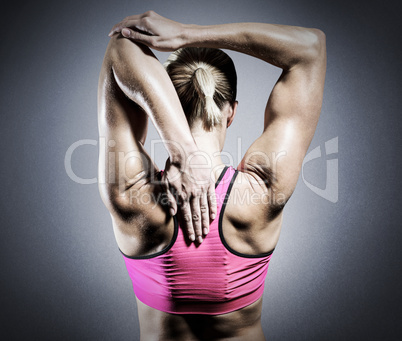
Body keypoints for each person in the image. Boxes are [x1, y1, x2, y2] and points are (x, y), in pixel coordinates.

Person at [98, 10, 326, 341]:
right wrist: (186, 34)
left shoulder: (132, 194)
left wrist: (182, 151)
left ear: (157, 102)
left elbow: (120, 47)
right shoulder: (261, 189)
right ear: (231, 111)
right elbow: (310, 48)